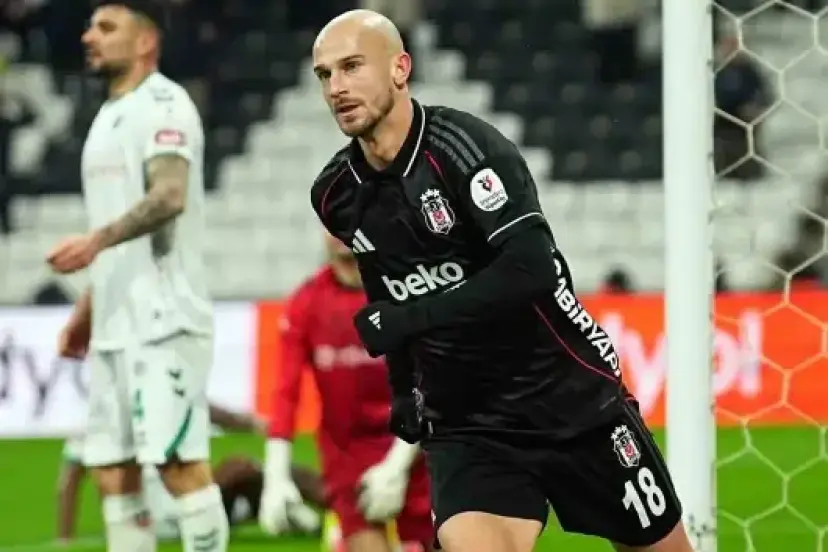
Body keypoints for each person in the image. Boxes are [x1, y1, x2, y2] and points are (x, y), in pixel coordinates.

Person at [309, 10, 695, 552]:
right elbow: (387, 294)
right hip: (469, 424)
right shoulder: (336, 193)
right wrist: (403, 388)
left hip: (568, 400)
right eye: (325, 74)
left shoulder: (465, 149)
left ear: (400, 68)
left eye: (352, 66)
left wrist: (411, 319)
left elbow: (530, 269)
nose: (337, 87)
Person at [45, 2, 227, 551]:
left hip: (164, 320)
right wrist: (88, 310)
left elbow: (169, 195)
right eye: (90, 27)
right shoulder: (107, 116)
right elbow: (115, 234)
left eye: (106, 27)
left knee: (178, 465)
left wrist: (95, 242)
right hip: (115, 325)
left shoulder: (165, 104)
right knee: (112, 472)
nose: (89, 37)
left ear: (146, 41)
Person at [259, 233, 433, 552]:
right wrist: (275, 477)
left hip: (418, 448)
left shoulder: (406, 293)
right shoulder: (307, 302)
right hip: (348, 463)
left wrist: (396, 468)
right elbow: (285, 394)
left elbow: (430, 387)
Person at [58, 405, 325, 542]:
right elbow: (205, 408)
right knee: (249, 470)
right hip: (176, 513)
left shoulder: (97, 418)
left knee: (256, 482)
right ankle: (332, 509)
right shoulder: (151, 395)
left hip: (149, 522)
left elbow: (68, 482)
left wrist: (65, 538)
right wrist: (254, 423)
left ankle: (302, 518)